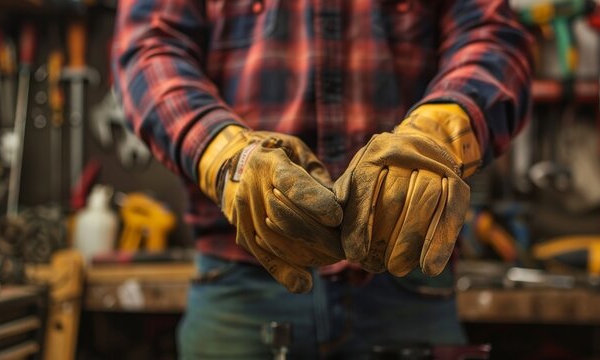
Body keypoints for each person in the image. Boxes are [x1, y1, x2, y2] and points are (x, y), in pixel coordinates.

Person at [113, 0, 532, 358]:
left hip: (408, 270)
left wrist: (438, 132)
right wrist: (223, 152)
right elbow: (151, 47)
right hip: (242, 278)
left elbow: (491, 36)